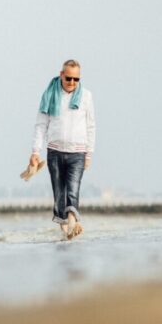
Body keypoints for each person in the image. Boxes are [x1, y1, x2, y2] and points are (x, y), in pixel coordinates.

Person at [29, 59, 95, 239]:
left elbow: (91, 126)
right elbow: (41, 125)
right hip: (55, 152)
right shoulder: (49, 95)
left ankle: (74, 223)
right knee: (59, 193)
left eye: (76, 79)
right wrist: (35, 152)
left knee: (73, 189)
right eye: (69, 79)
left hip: (78, 152)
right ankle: (66, 232)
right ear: (61, 75)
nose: (72, 83)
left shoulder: (86, 96)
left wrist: (89, 154)